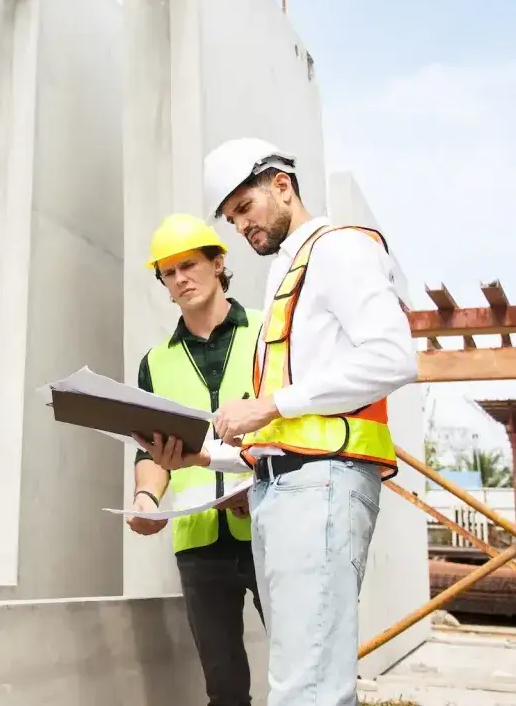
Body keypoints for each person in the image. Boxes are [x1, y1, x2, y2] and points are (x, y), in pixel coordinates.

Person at [200, 137, 417, 706]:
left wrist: (272, 404)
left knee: (308, 688)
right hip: (287, 488)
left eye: (244, 209)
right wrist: (199, 455)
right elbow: (285, 424)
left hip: (321, 485)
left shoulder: (338, 249)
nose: (241, 227)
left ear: (281, 184)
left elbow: (394, 358)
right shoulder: (285, 275)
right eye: (231, 219)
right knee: (298, 679)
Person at [129, 213, 264, 706]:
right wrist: (145, 497)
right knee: (224, 690)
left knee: (304, 670)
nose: (180, 278)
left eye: (189, 264)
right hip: (199, 544)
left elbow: (295, 430)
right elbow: (150, 451)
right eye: (168, 272)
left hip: (272, 527)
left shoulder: (269, 337)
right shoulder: (156, 361)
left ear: (218, 263)